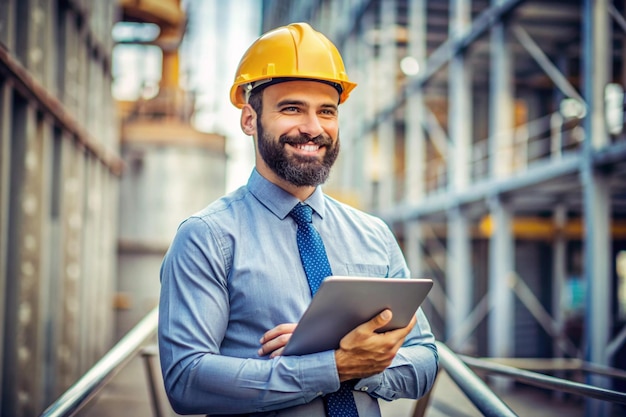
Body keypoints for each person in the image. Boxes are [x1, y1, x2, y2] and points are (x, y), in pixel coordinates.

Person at [158, 22, 439, 417]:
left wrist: (355, 366)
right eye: (292, 108)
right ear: (249, 120)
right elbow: (186, 380)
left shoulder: (373, 234)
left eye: (327, 111)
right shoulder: (207, 237)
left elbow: (424, 359)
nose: (313, 128)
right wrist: (334, 365)